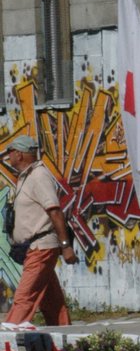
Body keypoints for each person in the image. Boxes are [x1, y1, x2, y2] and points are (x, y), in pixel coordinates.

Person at [3, 134, 77, 326]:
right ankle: (65, 344)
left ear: (19, 154)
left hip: (41, 247)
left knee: (24, 297)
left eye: (10, 152)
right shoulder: (27, 177)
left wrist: (65, 246)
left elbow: (55, 212)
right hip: (33, 248)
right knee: (52, 302)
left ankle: (6, 342)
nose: (8, 156)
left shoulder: (39, 176)